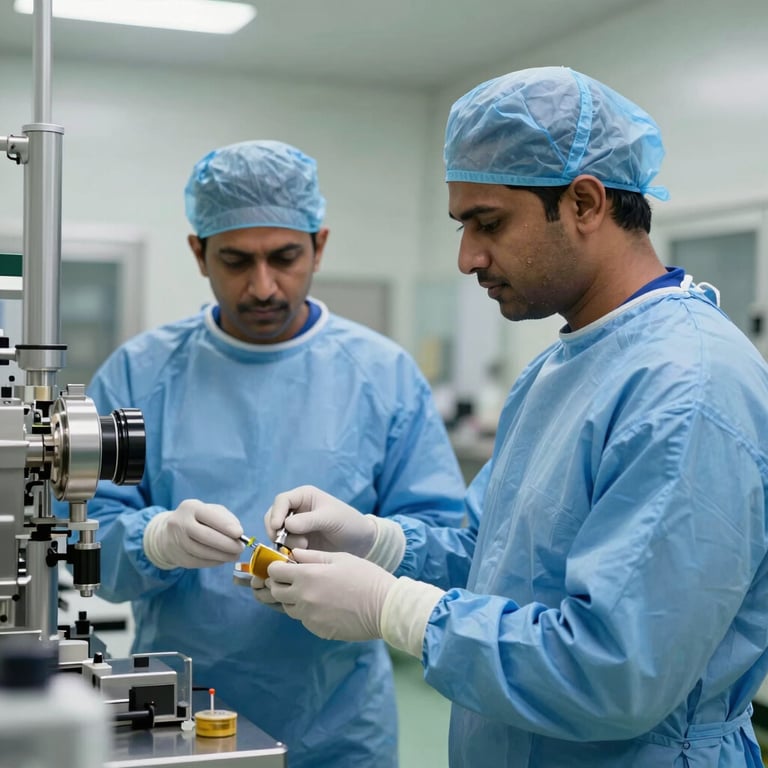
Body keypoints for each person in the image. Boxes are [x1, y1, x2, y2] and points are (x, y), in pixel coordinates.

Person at [257, 67, 768, 767]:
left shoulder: (688, 388)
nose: (468, 257)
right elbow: (498, 556)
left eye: (487, 222)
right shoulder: (566, 365)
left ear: (584, 202)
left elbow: (616, 670)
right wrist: (377, 543)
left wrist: (396, 610)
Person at [82, 139, 468, 768]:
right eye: (236, 260)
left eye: (285, 258)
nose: (263, 287)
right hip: (176, 711)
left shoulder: (382, 375)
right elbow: (89, 540)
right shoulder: (140, 373)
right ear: (198, 252)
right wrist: (154, 541)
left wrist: (370, 542)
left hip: (340, 725)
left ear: (319, 245)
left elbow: (444, 549)